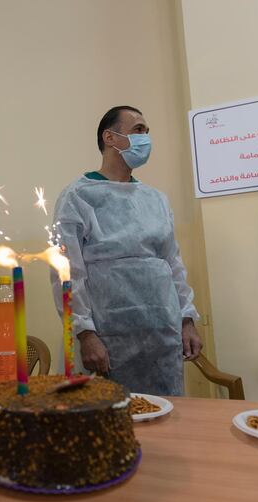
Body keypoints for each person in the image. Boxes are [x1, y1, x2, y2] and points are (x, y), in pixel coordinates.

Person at [51, 105, 202, 396]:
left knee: (162, 417)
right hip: (106, 339)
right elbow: (66, 272)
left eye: (147, 131)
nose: (146, 138)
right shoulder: (78, 197)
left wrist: (187, 320)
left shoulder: (155, 200)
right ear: (110, 137)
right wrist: (84, 333)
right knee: (104, 422)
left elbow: (173, 264)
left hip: (161, 334)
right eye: (138, 130)